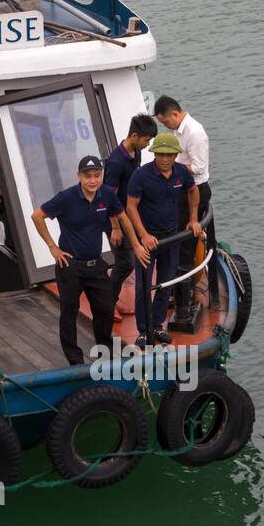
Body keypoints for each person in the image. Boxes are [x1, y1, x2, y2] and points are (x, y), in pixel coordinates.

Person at [32, 155, 144, 366]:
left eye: (97, 175)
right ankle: (74, 359)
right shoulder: (66, 198)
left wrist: (136, 245)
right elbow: (37, 216)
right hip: (70, 267)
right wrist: (52, 247)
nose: (93, 180)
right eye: (88, 176)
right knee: (69, 311)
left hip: (96, 265)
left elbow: (122, 217)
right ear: (79, 176)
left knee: (105, 307)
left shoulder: (107, 195)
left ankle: (105, 349)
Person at [124, 133, 203, 346]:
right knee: (143, 287)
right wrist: (144, 236)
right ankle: (143, 330)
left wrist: (194, 219)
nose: (165, 159)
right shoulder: (141, 176)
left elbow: (193, 191)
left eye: (169, 155)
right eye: (160, 154)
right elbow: (130, 207)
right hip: (148, 241)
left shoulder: (181, 173)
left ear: (176, 155)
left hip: (171, 238)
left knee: (165, 284)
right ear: (154, 154)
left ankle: (158, 326)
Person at [154, 95, 219, 309]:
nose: (165, 126)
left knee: (186, 242)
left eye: (165, 122)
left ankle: (184, 292)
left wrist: (171, 168)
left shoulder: (195, 133)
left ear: (174, 114)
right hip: (182, 189)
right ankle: (178, 286)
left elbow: (199, 167)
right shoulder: (178, 131)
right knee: (177, 237)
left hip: (196, 190)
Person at [104, 114, 158, 304]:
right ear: (134, 135)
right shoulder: (116, 162)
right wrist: (115, 228)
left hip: (130, 213)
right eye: (146, 140)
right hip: (115, 218)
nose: (148, 144)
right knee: (125, 263)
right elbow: (107, 196)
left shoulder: (137, 152)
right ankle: (108, 300)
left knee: (130, 258)